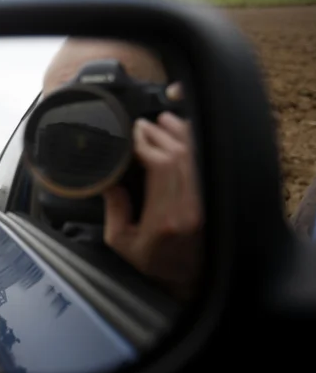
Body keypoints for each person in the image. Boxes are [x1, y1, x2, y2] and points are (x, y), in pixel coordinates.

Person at [42, 37, 203, 301]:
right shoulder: (54, 213)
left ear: (175, 117)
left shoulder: (210, 209)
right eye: (65, 117)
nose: (91, 139)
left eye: (117, 108)